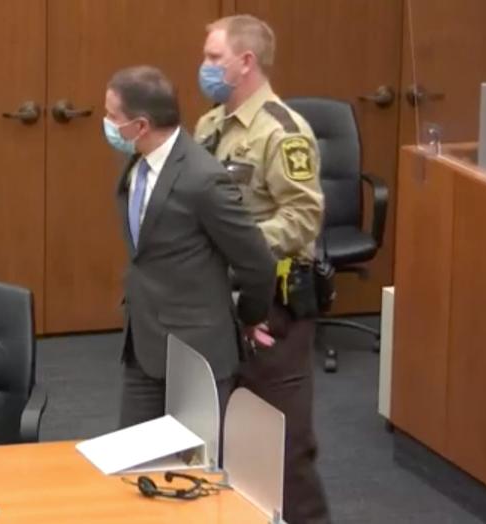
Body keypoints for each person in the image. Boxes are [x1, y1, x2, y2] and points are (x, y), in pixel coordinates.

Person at [194, 15, 330, 523]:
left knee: (283, 444)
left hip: (275, 305)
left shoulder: (282, 131)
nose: (204, 67)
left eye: (213, 58)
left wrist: (238, 246)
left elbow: (302, 218)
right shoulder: (210, 125)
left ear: (245, 61)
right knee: (224, 436)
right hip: (220, 300)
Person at [104, 65, 276, 429]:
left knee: (195, 474)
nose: (106, 123)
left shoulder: (203, 179)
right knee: (130, 468)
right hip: (143, 343)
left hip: (196, 352)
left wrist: (247, 316)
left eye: (112, 116)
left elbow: (257, 262)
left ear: (141, 125)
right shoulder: (137, 164)